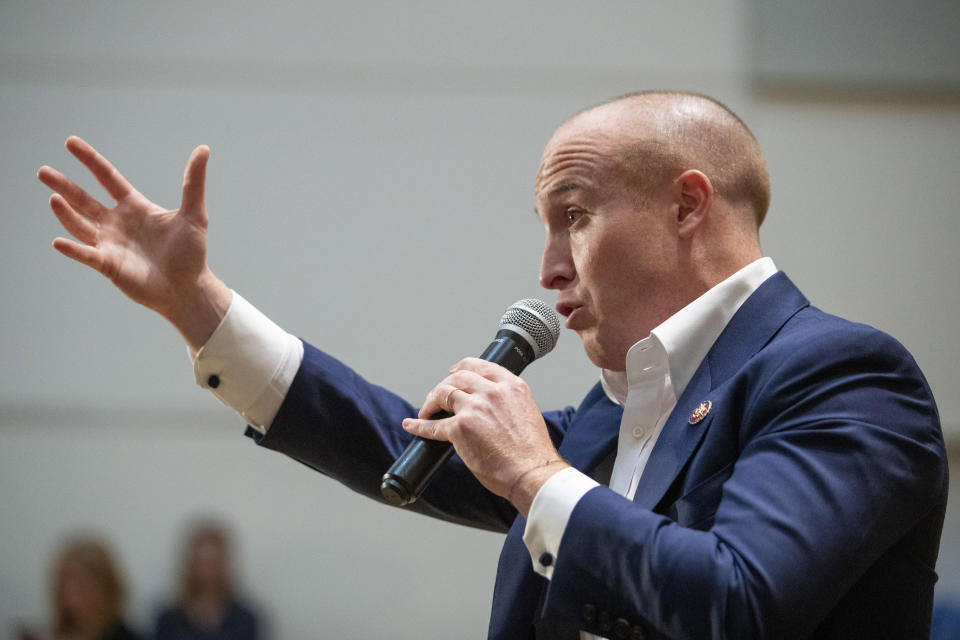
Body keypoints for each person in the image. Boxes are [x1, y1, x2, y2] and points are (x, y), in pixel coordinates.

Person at [38, 91, 947, 639]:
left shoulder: (844, 375)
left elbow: (742, 606)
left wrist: (538, 478)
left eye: (574, 215)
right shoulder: (620, 410)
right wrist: (195, 306)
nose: (548, 267)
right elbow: (395, 441)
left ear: (687, 206)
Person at [18, 535, 142, 640]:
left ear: (106, 587)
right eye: (63, 587)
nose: (71, 598)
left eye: (81, 587)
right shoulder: (46, 634)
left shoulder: (126, 636)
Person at [154, 521, 261, 640]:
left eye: (213, 563)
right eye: (202, 563)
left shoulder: (245, 621)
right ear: (190, 564)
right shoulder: (169, 621)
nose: (207, 572)